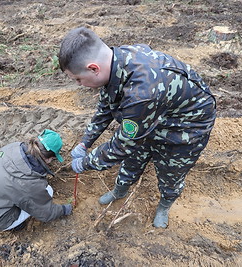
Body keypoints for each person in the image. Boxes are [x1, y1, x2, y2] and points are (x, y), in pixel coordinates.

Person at [59, 27, 216, 228]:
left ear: (93, 68)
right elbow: (106, 106)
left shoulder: (142, 92)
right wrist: (85, 142)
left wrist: (86, 163)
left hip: (185, 127)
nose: (79, 84)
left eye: (78, 79)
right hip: (152, 116)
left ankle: (165, 204)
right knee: (131, 162)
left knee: (171, 174)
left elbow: (122, 146)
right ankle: (119, 190)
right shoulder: (116, 59)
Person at [0, 129, 72, 231]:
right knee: (48, 191)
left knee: (15, 192)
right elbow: (45, 213)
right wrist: (64, 209)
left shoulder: (13, 148)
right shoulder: (30, 183)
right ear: (49, 158)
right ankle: (13, 225)